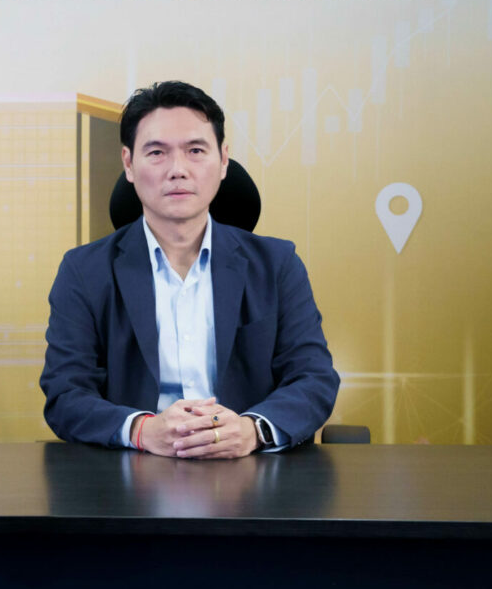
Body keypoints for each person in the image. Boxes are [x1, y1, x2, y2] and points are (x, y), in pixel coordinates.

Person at [40, 81, 338, 458]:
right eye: (157, 153)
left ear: (224, 160)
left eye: (195, 150)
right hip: (133, 471)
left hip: (251, 470)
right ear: (128, 164)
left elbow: (314, 379)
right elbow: (65, 393)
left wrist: (251, 430)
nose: (178, 170)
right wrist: (143, 431)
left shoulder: (277, 264)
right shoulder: (84, 271)